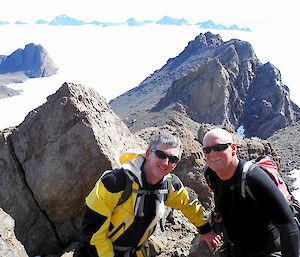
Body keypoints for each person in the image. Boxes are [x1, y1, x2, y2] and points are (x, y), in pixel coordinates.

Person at [74, 131, 222, 257]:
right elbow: (92, 233)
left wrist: (206, 230)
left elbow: (188, 204)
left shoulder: (169, 185)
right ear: (148, 153)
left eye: (172, 159)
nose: (165, 163)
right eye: (161, 155)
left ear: (175, 165)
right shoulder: (115, 181)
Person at [202, 127, 299, 257]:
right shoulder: (210, 175)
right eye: (207, 150)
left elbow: (288, 226)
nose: (212, 154)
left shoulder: (253, 177)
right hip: (237, 249)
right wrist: (206, 230)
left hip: (267, 251)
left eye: (219, 147)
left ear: (233, 149)